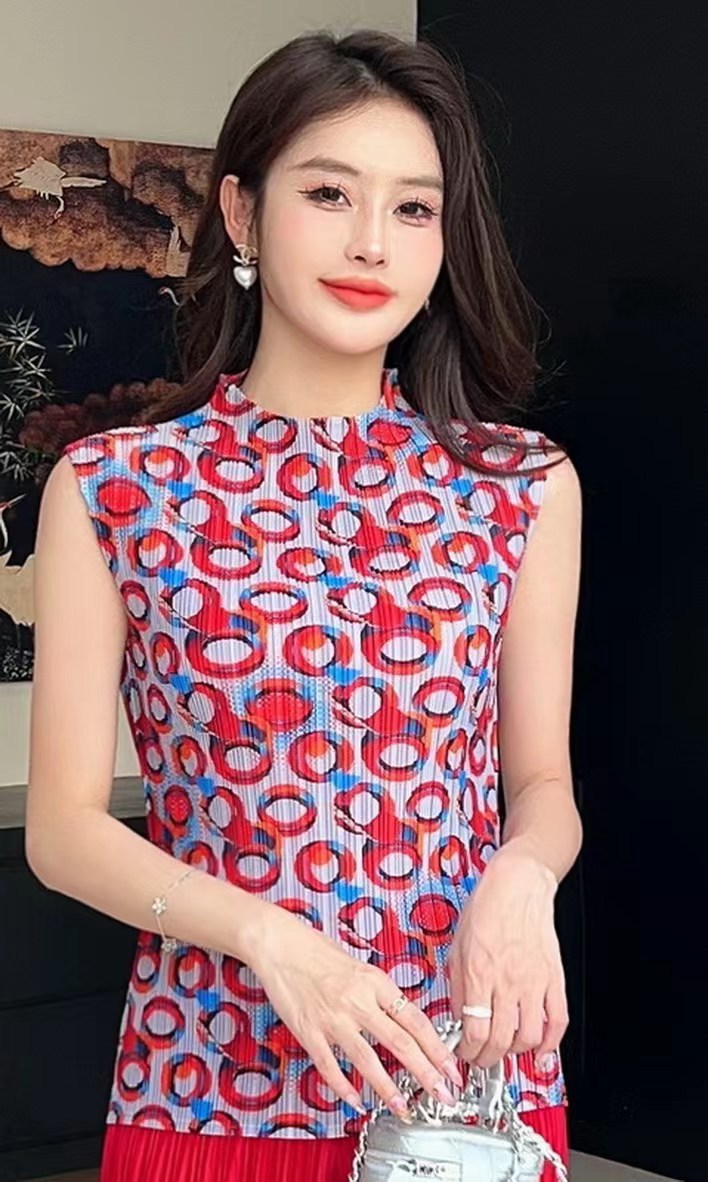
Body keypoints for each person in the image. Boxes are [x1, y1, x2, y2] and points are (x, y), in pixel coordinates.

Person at [25, 27, 583, 1182]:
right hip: (207, 1078)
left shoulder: (519, 487)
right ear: (241, 213)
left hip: (463, 1084)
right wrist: (271, 940)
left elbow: (541, 785)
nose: (371, 241)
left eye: (413, 209)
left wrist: (526, 876)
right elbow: (64, 832)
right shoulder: (116, 487)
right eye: (329, 193)